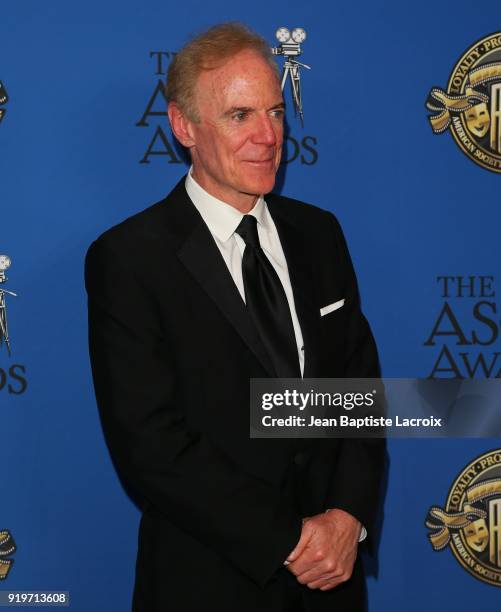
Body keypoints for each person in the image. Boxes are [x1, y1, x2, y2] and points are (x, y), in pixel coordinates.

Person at [85, 22, 384, 612]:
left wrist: (348, 517)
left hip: (332, 584)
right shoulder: (130, 258)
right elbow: (150, 442)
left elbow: (358, 391)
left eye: (275, 111)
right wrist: (291, 539)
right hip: (208, 580)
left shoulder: (319, 234)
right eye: (240, 115)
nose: (268, 136)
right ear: (183, 126)